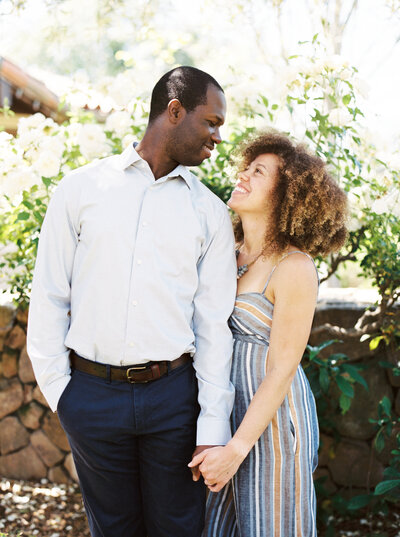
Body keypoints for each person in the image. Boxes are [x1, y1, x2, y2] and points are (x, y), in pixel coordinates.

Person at [27, 66, 237, 537]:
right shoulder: (81, 190)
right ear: (175, 111)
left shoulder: (210, 213)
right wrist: (64, 395)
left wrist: (211, 427)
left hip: (174, 400)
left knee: (178, 530)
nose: (217, 137)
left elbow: (212, 328)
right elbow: (50, 297)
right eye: (212, 122)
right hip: (91, 395)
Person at [189, 131, 348, 537]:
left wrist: (236, 449)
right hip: (223, 415)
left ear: (286, 194)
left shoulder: (294, 266)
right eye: (246, 166)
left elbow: (282, 368)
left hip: (272, 425)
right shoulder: (226, 249)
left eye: (258, 172)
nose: (242, 175)